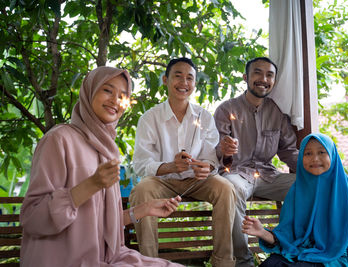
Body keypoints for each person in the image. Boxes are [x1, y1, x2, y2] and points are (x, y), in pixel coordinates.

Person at [20, 66, 183, 267]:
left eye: (122, 96)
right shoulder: (59, 140)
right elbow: (32, 218)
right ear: (89, 91)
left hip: (107, 258)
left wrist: (144, 209)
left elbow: (96, 226)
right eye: (107, 90)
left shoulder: (107, 149)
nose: (115, 100)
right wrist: (92, 184)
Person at [129, 57, 236, 267]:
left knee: (226, 188)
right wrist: (169, 166)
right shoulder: (150, 118)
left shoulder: (204, 117)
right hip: (161, 181)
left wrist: (206, 167)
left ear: (194, 84)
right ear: (165, 80)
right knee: (142, 190)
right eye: (177, 76)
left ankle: (223, 262)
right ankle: (150, 262)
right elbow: (141, 164)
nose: (184, 83)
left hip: (197, 181)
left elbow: (210, 157)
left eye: (190, 78)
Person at [213, 56, 299, 266]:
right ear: (246, 77)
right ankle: (244, 262)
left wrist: (317, 174)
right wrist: (224, 151)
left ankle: (292, 251)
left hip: (268, 175)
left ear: (274, 81)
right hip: (236, 174)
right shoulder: (226, 110)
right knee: (231, 188)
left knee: (308, 186)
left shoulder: (277, 112)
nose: (263, 79)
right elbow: (214, 151)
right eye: (257, 73)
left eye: (269, 75)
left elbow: (289, 151)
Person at [242, 133, 348, 267]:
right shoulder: (297, 191)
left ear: (332, 155)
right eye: (308, 154)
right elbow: (287, 238)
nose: (315, 158)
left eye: (321, 152)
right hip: (299, 253)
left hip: (332, 259)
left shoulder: (346, 193)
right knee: (271, 264)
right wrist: (262, 232)